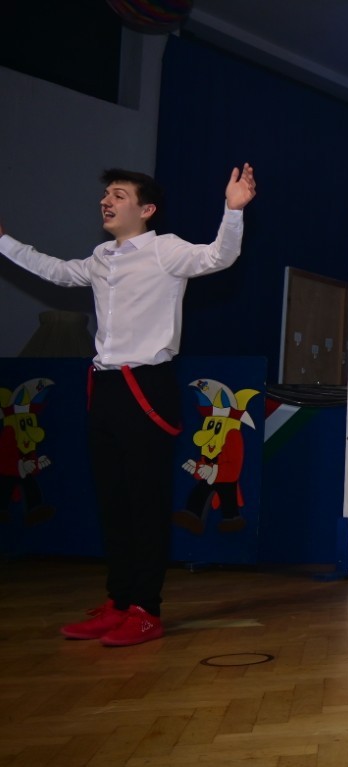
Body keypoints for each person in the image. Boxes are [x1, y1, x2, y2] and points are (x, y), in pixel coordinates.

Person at [0, 165, 258, 647]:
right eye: (105, 194)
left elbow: (218, 257)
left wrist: (233, 210)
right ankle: (118, 601)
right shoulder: (101, 257)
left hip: (147, 385)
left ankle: (145, 609)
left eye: (118, 195)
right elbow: (56, 271)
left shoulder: (165, 249)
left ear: (146, 209)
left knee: (145, 501)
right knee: (113, 500)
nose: (106, 201)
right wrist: (4, 242)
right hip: (105, 386)